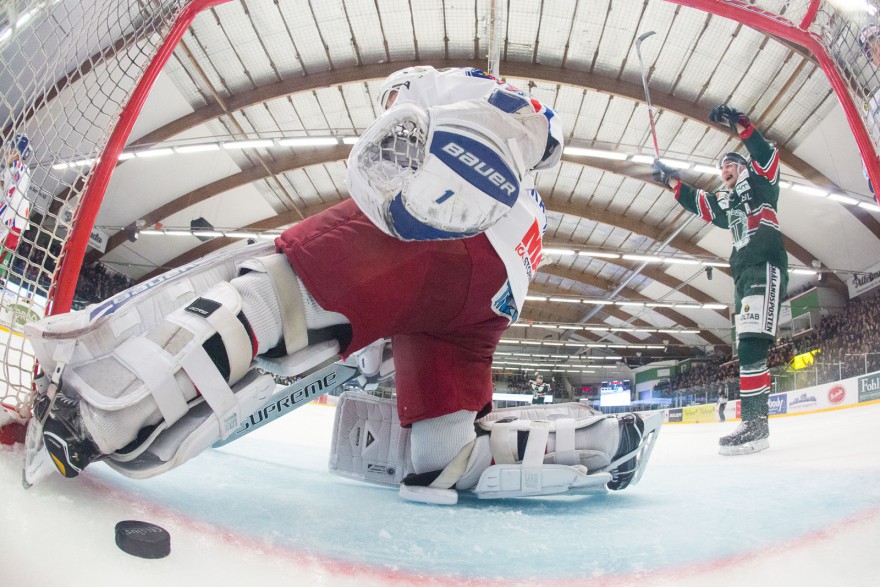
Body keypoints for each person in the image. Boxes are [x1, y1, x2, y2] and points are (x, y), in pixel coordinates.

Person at [27, 66, 661, 503]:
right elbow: (548, 143)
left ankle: (94, 421)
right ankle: (604, 445)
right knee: (444, 456)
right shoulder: (532, 189)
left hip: (450, 230)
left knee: (272, 295)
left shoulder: (451, 90)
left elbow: (525, 126)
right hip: (495, 293)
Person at [652, 104, 788, 456]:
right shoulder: (727, 205)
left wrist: (740, 124)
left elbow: (766, 155)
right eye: (720, 167)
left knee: (753, 346)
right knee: (746, 349)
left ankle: (757, 426)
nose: (723, 169)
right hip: (742, 273)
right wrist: (671, 180)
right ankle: (754, 423)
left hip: (765, 265)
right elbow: (700, 202)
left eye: (729, 163)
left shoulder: (761, 183)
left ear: (742, 167)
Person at [0, 134, 32, 281]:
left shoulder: (19, 170)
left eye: (10, 147)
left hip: (13, 219)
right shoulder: (10, 169)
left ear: (17, 152)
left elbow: (13, 199)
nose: (6, 150)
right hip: (11, 218)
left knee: (3, 254)